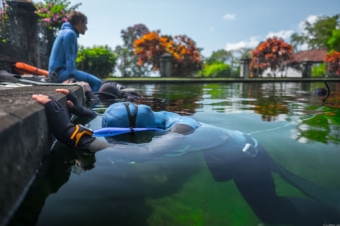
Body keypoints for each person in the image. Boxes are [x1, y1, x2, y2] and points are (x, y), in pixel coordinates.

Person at [32, 89, 340, 226]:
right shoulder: (155, 118)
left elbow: (148, 152)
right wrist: (78, 109)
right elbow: (108, 120)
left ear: (141, 131)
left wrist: (73, 135)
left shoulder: (178, 130)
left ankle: (326, 216)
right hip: (226, 155)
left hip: (248, 158)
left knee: (271, 214)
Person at [48, 11, 102, 92]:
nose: (86, 27)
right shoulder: (70, 33)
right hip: (59, 73)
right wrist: (71, 77)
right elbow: (69, 57)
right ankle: (94, 104)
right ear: (79, 22)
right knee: (96, 82)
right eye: (85, 24)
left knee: (91, 81)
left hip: (56, 73)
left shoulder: (66, 32)